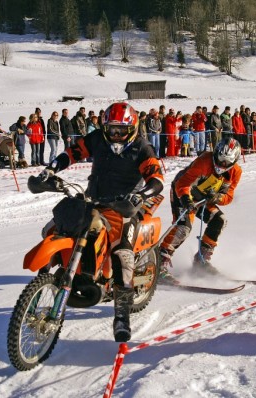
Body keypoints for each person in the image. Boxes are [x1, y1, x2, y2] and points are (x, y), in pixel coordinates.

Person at [39, 102, 164, 343]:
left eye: (121, 130)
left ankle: (121, 316)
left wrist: (140, 195)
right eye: (111, 129)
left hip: (124, 206)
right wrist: (51, 170)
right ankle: (50, 277)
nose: (115, 135)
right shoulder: (97, 138)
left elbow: (156, 178)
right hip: (93, 198)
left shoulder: (142, 147)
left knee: (123, 255)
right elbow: (73, 152)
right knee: (54, 228)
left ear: (133, 128)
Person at [159, 138, 243, 285]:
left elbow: (229, 196)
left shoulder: (236, 172)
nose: (221, 164)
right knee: (184, 227)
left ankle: (201, 261)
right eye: (219, 159)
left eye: (226, 162)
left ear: (234, 161)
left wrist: (217, 198)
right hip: (183, 191)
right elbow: (183, 183)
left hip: (204, 199)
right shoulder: (204, 161)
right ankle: (159, 263)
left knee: (219, 220)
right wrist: (186, 199)